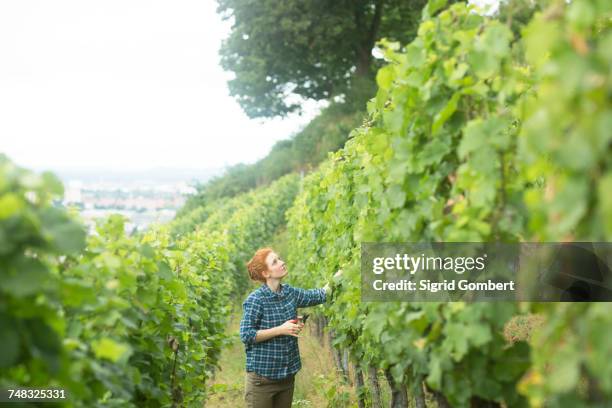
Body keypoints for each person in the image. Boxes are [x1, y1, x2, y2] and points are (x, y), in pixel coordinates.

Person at [239, 247, 342, 408]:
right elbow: (246, 335)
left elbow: (320, 295)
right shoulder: (256, 300)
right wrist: (281, 329)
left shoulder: (289, 293)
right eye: (275, 261)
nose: (282, 262)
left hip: (286, 377)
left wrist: (339, 275)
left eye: (279, 258)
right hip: (262, 381)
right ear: (266, 273)